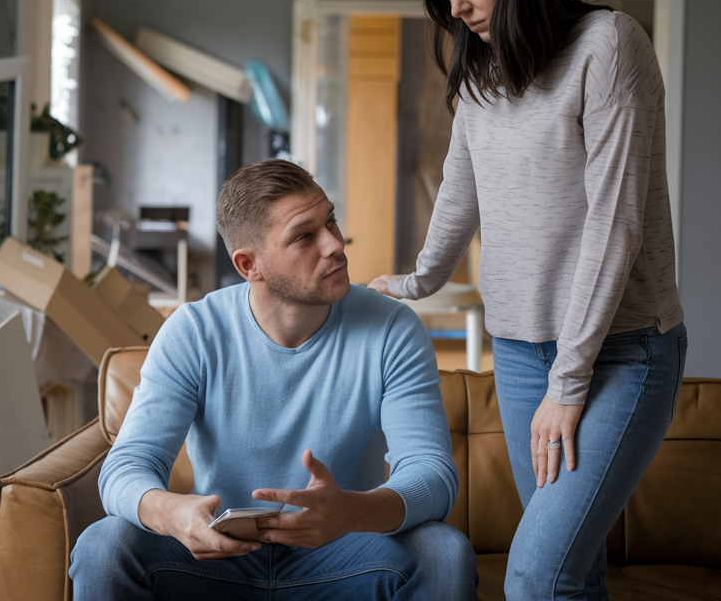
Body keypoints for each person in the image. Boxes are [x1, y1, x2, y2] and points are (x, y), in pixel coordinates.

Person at [369, 0, 687, 601]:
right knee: (573, 573)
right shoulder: (483, 64)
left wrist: (569, 382)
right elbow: (461, 183)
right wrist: (419, 279)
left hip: (623, 351)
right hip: (518, 353)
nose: (455, 5)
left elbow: (617, 226)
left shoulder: (608, 46)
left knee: (539, 575)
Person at [71, 159, 478, 600]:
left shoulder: (391, 329)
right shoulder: (193, 330)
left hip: (344, 552)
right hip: (217, 558)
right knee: (103, 545)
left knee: (443, 551)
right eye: (304, 236)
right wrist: (170, 512)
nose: (335, 245)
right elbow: (125, 467)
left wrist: (351, 512)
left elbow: (432, 474)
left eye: (331, 221)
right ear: (250, 265)